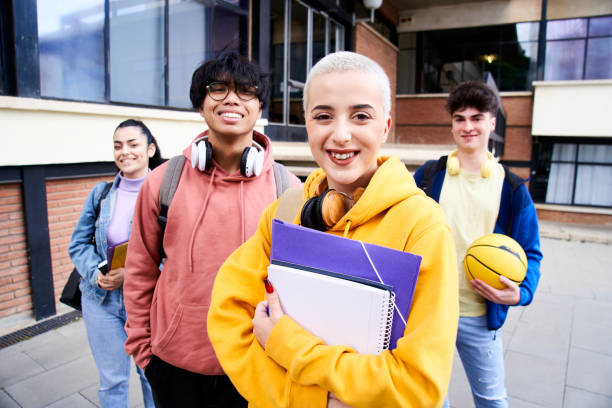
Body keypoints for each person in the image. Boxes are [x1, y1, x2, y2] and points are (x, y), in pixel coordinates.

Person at [207, 51, 459, 407]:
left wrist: (285, 342)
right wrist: (310, 398)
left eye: (360, 116)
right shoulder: (286, 210)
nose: (341, 135)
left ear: (385, 126)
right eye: (323, 116)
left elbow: (418, 386)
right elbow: (229, 317)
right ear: (307, 122)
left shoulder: (422, 227)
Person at [123, 52, 301, 407]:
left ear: (259, 107)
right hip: (173, 364)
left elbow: (297, 286)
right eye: (217, 89)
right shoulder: (163, 182)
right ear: (201, 106)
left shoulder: (288, 190)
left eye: (245, 90)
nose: (232, 98)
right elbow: (139, 270)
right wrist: (144, 351)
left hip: (256, 362)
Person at [413, 81, 543, 408]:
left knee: (492, 401)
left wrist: (521, 291)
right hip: (431, 310)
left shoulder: (513, 188)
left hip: (479, 315)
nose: (468, 126)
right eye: (460, 118)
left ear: (492, 122)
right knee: (429, 400)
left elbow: (531, 251)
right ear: (452, 123)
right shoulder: (429, 176)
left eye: (477, 118)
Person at [68, 119, 162, 408]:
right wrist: (96, 271)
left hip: (148, 302)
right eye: (118, 145)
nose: (125, 152)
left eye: (133, 144)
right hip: (101, 301)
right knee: (112, 382)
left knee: (153, 378)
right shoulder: (101, 194)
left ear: (150, 149)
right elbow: (78, 244)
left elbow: (175, 254)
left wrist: (131, 274)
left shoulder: (165, 195)